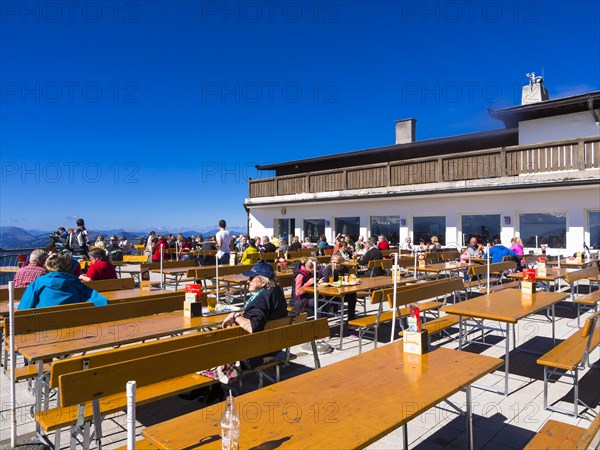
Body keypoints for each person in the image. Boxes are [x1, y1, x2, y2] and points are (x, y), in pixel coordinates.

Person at [18, 252, 108, 310]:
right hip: (74, 329)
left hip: (43, 330)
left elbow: (23, 308)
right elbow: (102, 303)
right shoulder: (76, 283)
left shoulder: (38, 283)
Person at [321, 255, 358, 320]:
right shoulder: (328, 269)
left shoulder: (345, 269)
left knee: (353, 294)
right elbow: (325, 283)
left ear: (341, 262)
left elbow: (346, 280)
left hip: (341, 291)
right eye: (334, 262)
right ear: (331, 262)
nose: (335, 264)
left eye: (337, 263)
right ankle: (324, 317)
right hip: (330, 293)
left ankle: (351, 318)